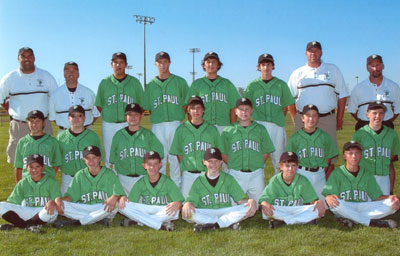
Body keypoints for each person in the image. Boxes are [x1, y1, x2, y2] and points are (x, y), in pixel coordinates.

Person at [323, 141, 400, 228]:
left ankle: (352, 218)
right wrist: (328, 196)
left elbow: (376, 196)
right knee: (335, 204)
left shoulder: (367, 173)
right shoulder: (337, 173)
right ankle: (372, 223)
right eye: (350, 153)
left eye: (357, 153)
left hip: (362, 206)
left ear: (361, 155)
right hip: (345, 205)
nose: (354, 156)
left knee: (392, 203)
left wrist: (391, 197)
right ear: (344, 156)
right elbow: (330, 195)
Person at [0, 47, 58, 164]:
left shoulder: (46, 76)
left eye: (30, 56)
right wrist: (16, 113)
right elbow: (2, 99)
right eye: (23, 56)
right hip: (19, 126)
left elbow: (56, 98)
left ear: (34, 58)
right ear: (18, 59)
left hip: (44, 126)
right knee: (20, 163)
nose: (27, 59)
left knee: (45, 162)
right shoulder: (9, 78)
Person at [288, 41, 348, 149]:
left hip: (327, 119)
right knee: (302, 154)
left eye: (316, 51)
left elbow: (342, 95)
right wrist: (295, 119)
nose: (313, 54)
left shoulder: (333, 69)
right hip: (304, 121)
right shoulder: (297, 73)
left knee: (329, 155)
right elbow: (289, 99)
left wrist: (339, 119)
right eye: (310, 51)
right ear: (306, 53)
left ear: (321, 53)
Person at [182, 147, 257, 232]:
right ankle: (225, 223)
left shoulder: (229, 179)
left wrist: (251, 201)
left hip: (225, 211)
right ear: (204, 162)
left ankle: (210, 225)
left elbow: (241, 201)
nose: (214, 164)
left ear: (221, 162)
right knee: (186, 213)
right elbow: (192, 203)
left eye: (217, 161)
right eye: (210, 161)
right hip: (207, 212)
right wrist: (188, 204)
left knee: (247, 208)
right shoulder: (199, 181)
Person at [143, 52, 189, 186]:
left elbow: (186, 104)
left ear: (169, 63)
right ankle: (160, 190)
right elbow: (147, 107)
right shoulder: (151, 85)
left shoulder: (180, 82)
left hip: (175, 123)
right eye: (160, 62)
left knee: (175, 159)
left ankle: (176, 190)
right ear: (155, 64)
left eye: (165, 61)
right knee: (159, 158)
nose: (162, 64)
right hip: (158, 125)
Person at [244, 53, 296, 171]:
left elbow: (287, 105)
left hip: (276, 126)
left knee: (279, 160)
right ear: (259, 67)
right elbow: (245, 107)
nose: (266, 67)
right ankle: (257, 188)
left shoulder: (281, 85)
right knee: (257, 159)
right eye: (263, 65)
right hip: (258, 125)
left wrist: (283, 120)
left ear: (273, 66)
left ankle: (278, 187)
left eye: (269, 64)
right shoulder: (252, 86)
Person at [54, 146, 126, 226]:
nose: (91, 161)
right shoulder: (80, 175)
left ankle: (77, 222)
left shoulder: (109, 174)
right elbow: (70, 197)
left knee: (115, 204)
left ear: (99, 158)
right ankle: (98, 220)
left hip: (103, 207)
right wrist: (59, 199)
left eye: (94, 158)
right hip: (85, 208)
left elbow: (119, 194)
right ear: (84, 160)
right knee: (62, 204)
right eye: (88, 158)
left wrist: (115, 197)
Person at [95, 52, 144, 167]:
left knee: (126, 154)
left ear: (126, 65)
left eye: (121, 62)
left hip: (128, 124)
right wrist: (109, 114)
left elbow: (140, 104)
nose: (118, 65)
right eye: (116, 62)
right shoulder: (105, 82)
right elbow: (99, 104)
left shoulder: (135, 82)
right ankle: (109, 183)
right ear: (111, 64)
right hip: (109, 125)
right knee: (109, 157)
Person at [221, 98, 275, 201]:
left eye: (247, 109)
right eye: (241, 109)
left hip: (256, 174)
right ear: (236, 112)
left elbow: (266, 150)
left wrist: (257, 163)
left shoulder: (260, 129)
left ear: (252, 111)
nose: (244, 112)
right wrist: (232, 164)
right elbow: (223, 152)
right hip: (236, 173)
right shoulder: (228, 130)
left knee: (261, 206)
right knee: (233, 208)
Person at [170, 96, 221, 198]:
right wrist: (187, 166)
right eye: (192, 108)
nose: (196, 111)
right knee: (186, 208)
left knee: (208, 206)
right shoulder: (181, 129)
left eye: (198, 107)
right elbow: (179, 153)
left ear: (203, 110)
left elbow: (218, 153)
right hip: (188, 174)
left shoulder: (212, 129)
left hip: (207, 173)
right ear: (188, 111)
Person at [119, 151, 184, 231]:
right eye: (149, 164)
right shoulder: (141, 182)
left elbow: (179, 202)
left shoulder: (167, 182)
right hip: (146, 209)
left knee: (175, 212)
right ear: (144, 166)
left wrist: (177, 203)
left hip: (162, 209)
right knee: (122, 207)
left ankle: (139, 221)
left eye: (155, 164)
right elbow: (131, 202)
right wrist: (123, 198)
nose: (152, 167)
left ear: (160, 165)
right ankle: (160, 225)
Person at [286, 104, 339, 203]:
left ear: (318, 118)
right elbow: (290, 159)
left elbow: (328, 157)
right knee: (300, 204)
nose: (311, 118)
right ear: (302, 118)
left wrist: (323, 172)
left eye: (314, 115)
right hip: (302, 173)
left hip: (320, 174)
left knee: (324, 206)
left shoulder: (325, 136)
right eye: (308, 115)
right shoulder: (295, 137)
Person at [259, 152, 325, 228]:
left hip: (297, 209)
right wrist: (264, 203)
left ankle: (282, 221)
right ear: (281, 166)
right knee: (265, 212)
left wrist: (318, 202)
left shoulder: (302, 180)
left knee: (317, 210)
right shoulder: (275, 180)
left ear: (297, 166)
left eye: (293, 166)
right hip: (281, 209)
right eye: (287, 166)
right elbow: (263, 200)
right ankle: (300, 220)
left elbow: (313, 200)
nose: (290, 169)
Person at [110, 103, 164, 195]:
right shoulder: (118, 135)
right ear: (125, 117)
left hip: (143, 178)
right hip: (123, 179)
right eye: (130, 114)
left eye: (136, 114)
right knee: (123, 207)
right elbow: (113, 159)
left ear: (141, 116)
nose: (133, 117)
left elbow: (160, 155)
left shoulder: (148, 135)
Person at [0, 154, 60, 232]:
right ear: (27, 168)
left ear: (43, 167)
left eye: (37, 166)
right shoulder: (23, 183)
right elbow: (13, 202)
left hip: (44, 211)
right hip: (27, 211)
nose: (34, 170)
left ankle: (18, 225)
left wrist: (52, 202)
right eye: (31, 167)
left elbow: (57, 202)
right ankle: (27, 226)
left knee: (50, 212)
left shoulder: (52, 182)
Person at [352, 102, 400, 195]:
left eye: (381, 113)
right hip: (365, 176)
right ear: (367, 114)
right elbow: (353, 158)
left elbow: (392, 156)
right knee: (364, 206)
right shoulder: (359, 134)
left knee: (387, 207)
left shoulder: (392, 134)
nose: (378, 116)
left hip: (384, 176)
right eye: (374, 113)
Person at [186, 51, 240, 134]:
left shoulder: (227, 83)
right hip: (203, 127)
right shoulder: (197, 84)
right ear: (204, 65)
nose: (211, 65)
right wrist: (193, 126)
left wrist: (232, 127)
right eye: (208, 62)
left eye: (214, 62)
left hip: (224, 126)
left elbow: (233, 107)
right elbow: (188, 107)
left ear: (218, 65)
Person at [57, 105, 103, 195]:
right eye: (73, 116)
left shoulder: (92, 136)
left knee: (88, 207)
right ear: (68, 118)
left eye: (80, 116)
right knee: (66, 206)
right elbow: (57, 161)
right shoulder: (61, 138)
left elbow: (99, 160)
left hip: (88, 177)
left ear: (84, 118)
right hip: (67, 178)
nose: (76, 119)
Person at [348, 54, 400, 130]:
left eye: (378, 65)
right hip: (364, 127)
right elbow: (352, 110)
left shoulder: (393, 86)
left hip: (386, 126)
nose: (375, 68)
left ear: (383, 66)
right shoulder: (358, 88)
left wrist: (387, 121)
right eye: (372, 66)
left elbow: (398, 109)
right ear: (367, 68)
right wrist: (365, 122)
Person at [49, 61, 100, 134]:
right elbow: (53, 118)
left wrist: (83, 126)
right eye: (68, 71)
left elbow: (96, 114)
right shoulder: (55, 94)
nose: (71, 73)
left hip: (86, 133)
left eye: (74, 70)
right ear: (64, 74)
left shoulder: (89, 93)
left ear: (78, 74)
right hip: (64, 133)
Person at [14, 110, 62, 183]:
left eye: (37, 121)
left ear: (43, 123)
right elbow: (18, 166)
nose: (34, 124)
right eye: (31, 121)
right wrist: (19, 185)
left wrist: (50, 178)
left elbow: (56, 163)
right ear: (27, 123)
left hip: (47, 182)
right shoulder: (22, 142)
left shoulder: (52, 141)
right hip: (27, 182)